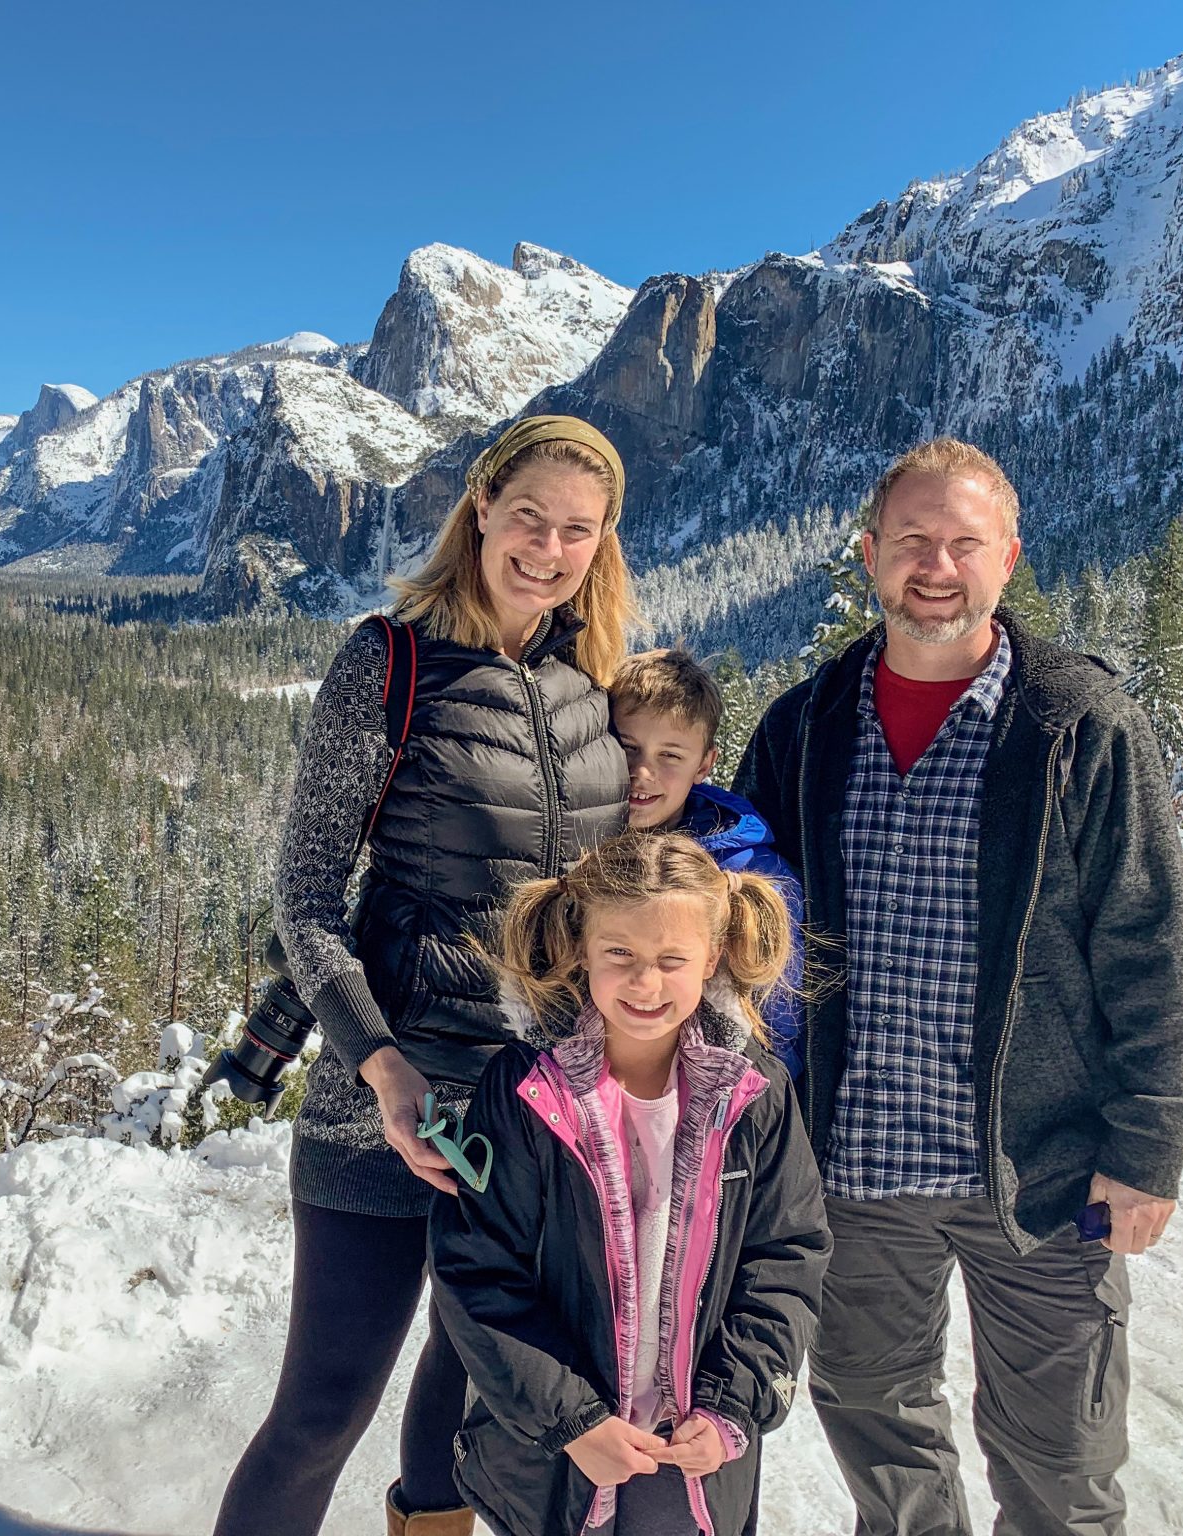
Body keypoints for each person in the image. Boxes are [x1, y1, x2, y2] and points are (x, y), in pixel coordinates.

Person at [733, 437, 1183, 1536]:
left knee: (1062, 1470)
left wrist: (1147, 1146)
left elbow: (1148, 942)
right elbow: (745, 931)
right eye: (911, 540)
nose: (935, 566)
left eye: (963, 542)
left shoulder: (1076, 724)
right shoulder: (804, 725)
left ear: (1008, 558)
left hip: (1040, 1175)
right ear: (869, 556)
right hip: (851, 1169)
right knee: (880, 1437)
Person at [212, 415, 637, 1536]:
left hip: (531, 1116)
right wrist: (382, 1067)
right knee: (322, 1412)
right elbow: (306, 897)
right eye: (529, 517)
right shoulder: (389, 663)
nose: (548, 549)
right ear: (482, 508)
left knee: (464, 1408)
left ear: (602, 543)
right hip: (384, 1107)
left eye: (578, 531)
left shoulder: (594, 687)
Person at [428, 830, 830, 1536]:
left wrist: (731, 1407)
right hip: (562, 1451)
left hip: (691, 1452)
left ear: (712, 957)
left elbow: (785, 1261)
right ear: (583, 949)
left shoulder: (754, 1095)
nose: (646, 984)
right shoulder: (526, 1091)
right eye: (621, 956)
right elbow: (478, 1266)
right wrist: (572, 1420)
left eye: (672, 961)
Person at [609, 646, 808, 1076]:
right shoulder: (579, 847)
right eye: (628, 747)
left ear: (704, 764)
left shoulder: (750, 872)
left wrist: (760, 1098)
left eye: (670, 756)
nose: (642, 772)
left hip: (714, 1093)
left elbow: (778, 1019)